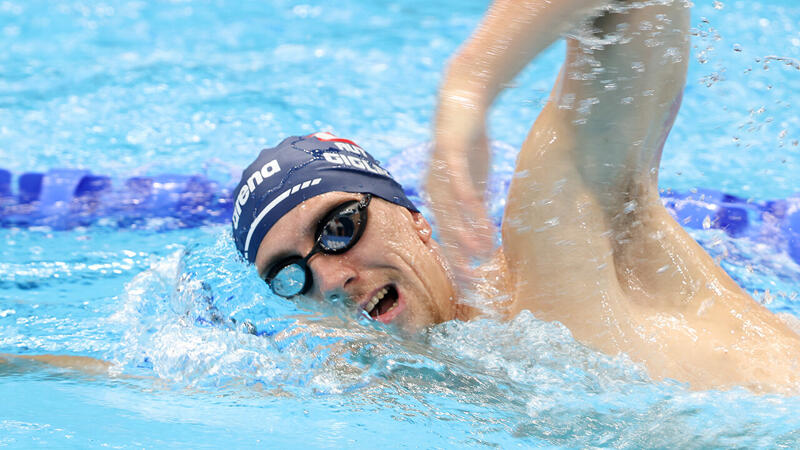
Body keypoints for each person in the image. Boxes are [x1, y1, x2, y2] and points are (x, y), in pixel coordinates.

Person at [234, 0, 800, 392]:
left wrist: (467, 87)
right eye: (291, 275)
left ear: (416, 220)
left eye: (339, 228)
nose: (330, 280)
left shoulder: (556, 258)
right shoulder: (404, 378)